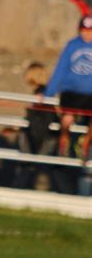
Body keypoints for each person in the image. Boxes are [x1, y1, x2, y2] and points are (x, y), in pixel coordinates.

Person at [42, 14, 92, 160]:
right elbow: (60, 70)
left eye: (90, 31)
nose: (86, 34)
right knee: (67, 119)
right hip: (71, 92)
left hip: (90, 93)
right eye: (84, 30)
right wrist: (48, 93)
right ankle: (64, 141)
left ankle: (85, 143)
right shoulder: (72, 45)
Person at [13, 62, 60, 190]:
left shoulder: (41, 94)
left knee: (30, 166)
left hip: (39, 136)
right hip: (45, 135)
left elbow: (40, 117)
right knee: (45, 167)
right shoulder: (45, 92)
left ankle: (20, 189)